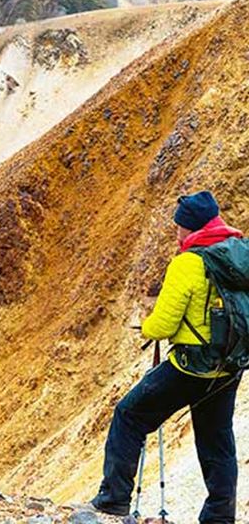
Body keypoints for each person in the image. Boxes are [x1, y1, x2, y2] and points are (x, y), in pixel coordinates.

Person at [90, 190, 244, 523]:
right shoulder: (239, 254)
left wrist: (146, 327)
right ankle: (219, 517)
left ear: (191, 228)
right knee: (216, 440)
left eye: (179, 228)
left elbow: (164, 324)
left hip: (190, 367)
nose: (176, 235)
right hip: (229, 366)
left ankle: (113, 499)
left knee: (129, 415)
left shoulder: (187, 263)